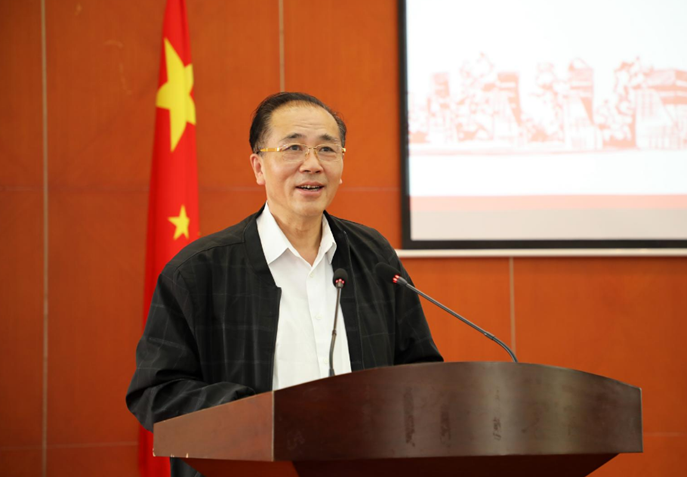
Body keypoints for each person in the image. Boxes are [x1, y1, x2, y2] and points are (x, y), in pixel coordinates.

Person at [126, 92, 443, 477]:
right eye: (293, 148)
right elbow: (156, 392)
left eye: (327, 149)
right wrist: (255, 415)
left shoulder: (373, 256)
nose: (312, 164)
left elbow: (420, 369)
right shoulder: (199, 271)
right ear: (259, 166)